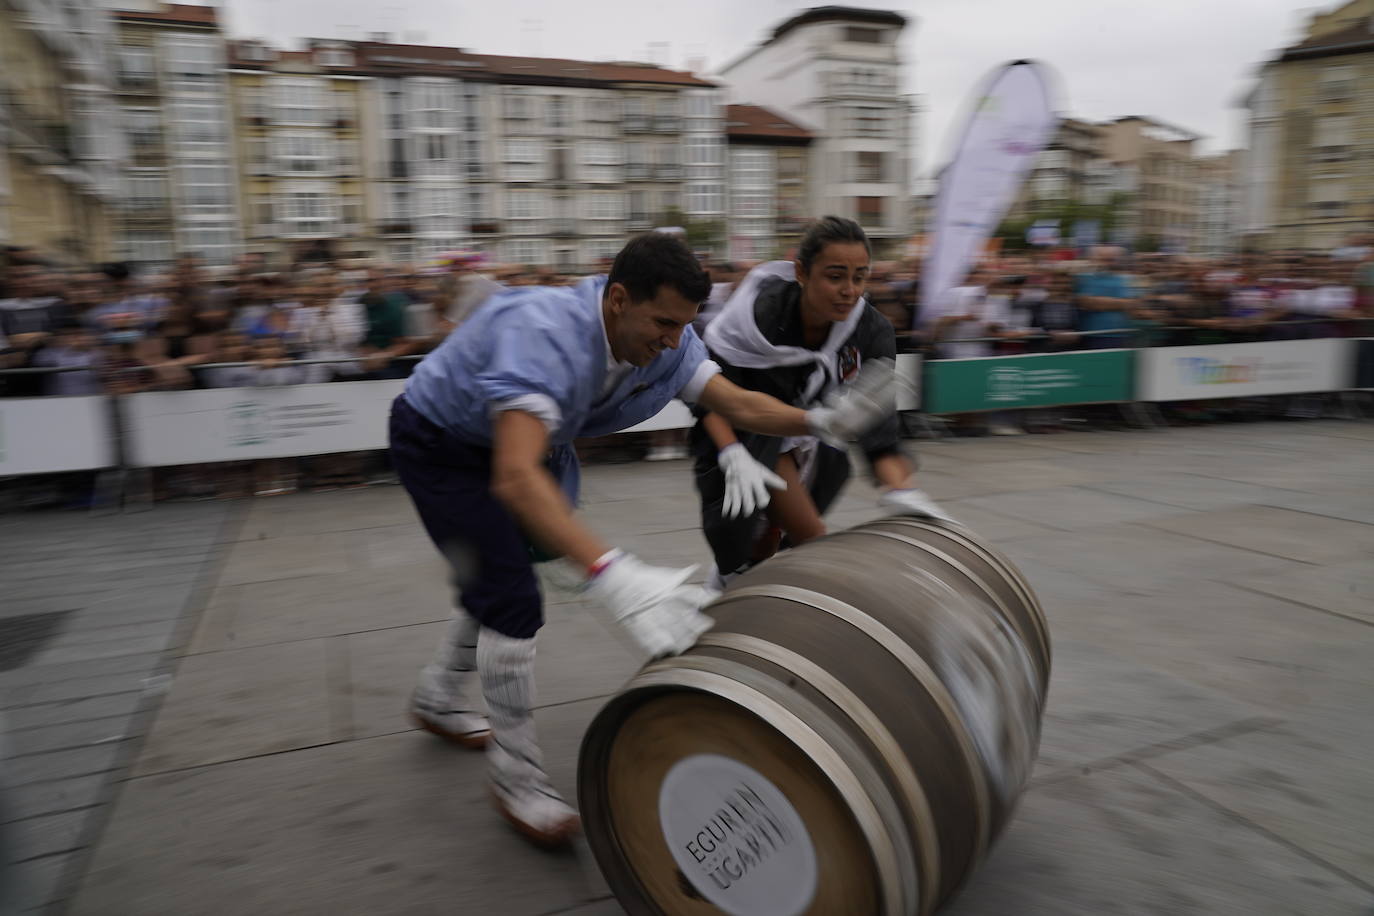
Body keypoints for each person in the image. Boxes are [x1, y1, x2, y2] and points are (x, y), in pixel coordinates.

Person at [389, 231, 894, 848]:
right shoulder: (544, 334)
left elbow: (736, 401)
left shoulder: (666, 338)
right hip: (444, 444)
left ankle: (438, 692)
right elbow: (516, 477)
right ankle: (515, 776)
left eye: (684, 325)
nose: (673, 341)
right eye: (662, 322)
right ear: (617, 298)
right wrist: (613, 573)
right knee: (513, 597)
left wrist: (816, 420)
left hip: (528, 444)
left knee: (502, 571)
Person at [692, 216, 950, 589]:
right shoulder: (756, 317)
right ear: (801, 272)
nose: (849, 290)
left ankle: (732, 598)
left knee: (772, 544)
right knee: (801, 539)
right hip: (748, 435)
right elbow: (712, 395)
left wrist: (901, 490)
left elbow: (879, 428)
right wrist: (731, 453)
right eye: (835, 276)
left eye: (860, 277)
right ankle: (730, 600)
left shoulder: (872, 330)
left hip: (816, 441)